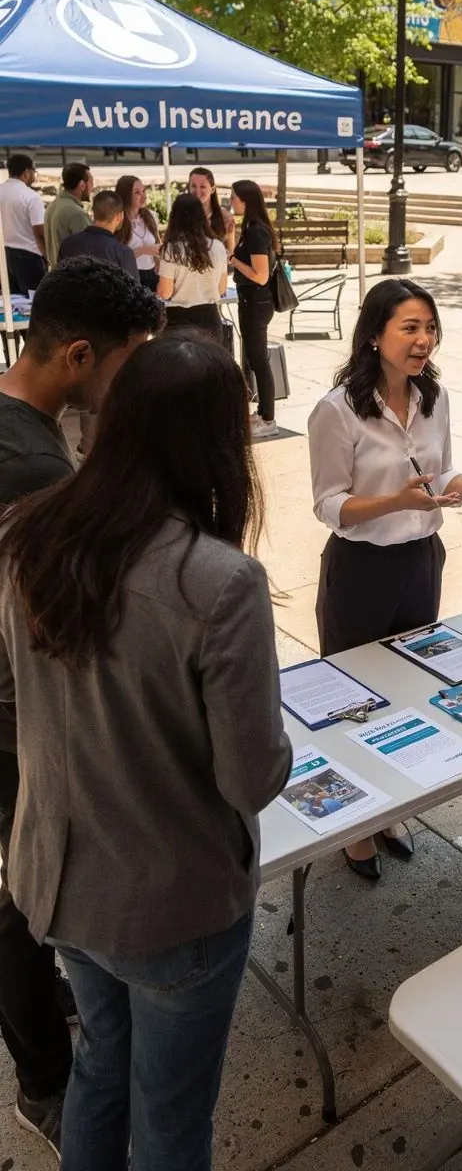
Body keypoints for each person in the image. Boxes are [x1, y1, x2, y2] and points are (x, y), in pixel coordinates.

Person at [0, 331, 292, 1170]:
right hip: (171, 906)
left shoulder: (26, 531)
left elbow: (15, 691)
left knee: (100, 1063)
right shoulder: (220, 581)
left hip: (57, 881)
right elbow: (251, 776)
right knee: (171, 1117)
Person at [0, 260, 163, 1159]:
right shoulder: (32, 468)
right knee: (20, 900)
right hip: (11, 724)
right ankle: (45, 1084)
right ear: (77, 356)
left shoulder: (19, 426)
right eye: (125, 363)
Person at [308, 279, 462, 880]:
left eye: (430, 328)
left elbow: (439, 485)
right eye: (410, 328)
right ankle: (354, 827)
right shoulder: (336, 410)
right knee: (355, 701)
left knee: (410, 692)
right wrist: (394, 500)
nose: (424, 340)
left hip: (421, 561)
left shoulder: (434, 398)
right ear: (374, 335)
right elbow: (329, 505)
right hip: (360, 570)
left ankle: (390, 808)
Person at [229, 179, 279, 437]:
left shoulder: (256, 231)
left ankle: (268, 419)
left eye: (233, 198)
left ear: (245, 201)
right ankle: (262, 412)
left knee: (259, 360)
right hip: (251, 301)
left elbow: (260, 275)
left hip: (256, 302)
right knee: (254, 358)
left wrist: (235, 262)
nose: (231, 202)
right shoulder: (250, 228)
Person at [157, 192, 228, 338]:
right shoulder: (218, 246)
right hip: (210, 318)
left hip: (178, 319)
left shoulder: (171, 249)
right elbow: (221, 289)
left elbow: (165, 292)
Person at [58, 190, 138, 278]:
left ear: (94, 212)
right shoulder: (123, 253)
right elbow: (132, 286)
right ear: (120, 216)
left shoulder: (68, 244)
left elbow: (57, 279)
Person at [0, 153, 47, 295]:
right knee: (35, 299)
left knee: (12, 300)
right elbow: (39, 231)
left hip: (4, 254)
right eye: (34, 172)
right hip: (28, 256)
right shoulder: (31, 196)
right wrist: (47, 256)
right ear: (26, 172)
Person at [114, 175, 162, 292]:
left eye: (144, 191)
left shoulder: (151, 216)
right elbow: (116, 256)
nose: (144, 196)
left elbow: (157, 244)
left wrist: (158, 260)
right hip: (128, 277)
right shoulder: (117, 220)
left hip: (152, 275)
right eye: (137, 193)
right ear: (126, 195)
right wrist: (143, 250)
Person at [44, 163, 94, 269]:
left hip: (56, 273)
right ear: (82, 185)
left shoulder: (52, 206)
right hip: (72, 275)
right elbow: (88, 253)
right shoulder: (77, 213)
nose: (92, 187)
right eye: (91, 183)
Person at [188, 166, 236, 254]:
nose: (197, 191)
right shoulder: (181, 215)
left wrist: (230, 234)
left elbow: (231, 252)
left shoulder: (225, 217)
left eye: (202, 187)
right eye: (193, 186)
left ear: (212, 189)